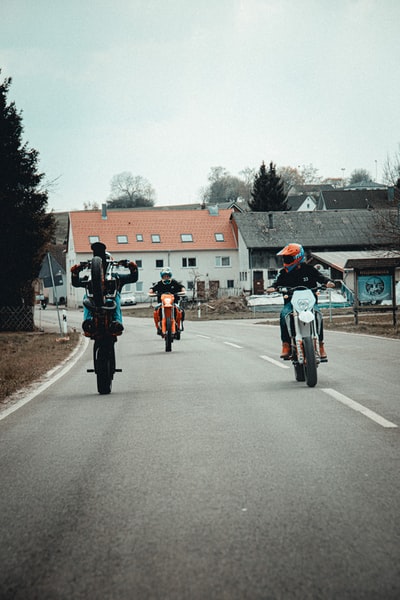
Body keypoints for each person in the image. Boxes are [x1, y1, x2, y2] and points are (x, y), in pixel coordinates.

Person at [266, 243, 335, 359]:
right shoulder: (283, 273)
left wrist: (328, 282)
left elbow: (322, 278)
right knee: (284, 315)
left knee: (318, 315)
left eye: (288, 258)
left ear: (297, 257)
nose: (286, 260)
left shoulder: (309, 269)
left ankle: (321, 344)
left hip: (310, 304)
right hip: (291, 303)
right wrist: (272, 288)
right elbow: (276, 283)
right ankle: (286, 344)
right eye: (285, 258)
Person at [71, 242, 138, 336]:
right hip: (93, 303)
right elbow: (76, 283)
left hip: (111, 304)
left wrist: (133, 269)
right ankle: (88, 323)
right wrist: (75, 273)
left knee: (117, 296)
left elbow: (133, 278)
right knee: (86, 297)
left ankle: (117, 323)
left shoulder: (116, 278)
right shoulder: (90, 279)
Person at [149, 268, 186, 335]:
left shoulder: (174, 282)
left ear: (170, 276)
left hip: (173, 303)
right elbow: (152, 288)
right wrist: (151, 292)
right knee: (156, 311)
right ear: (162, 276)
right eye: (164, 276)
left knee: (180, 310)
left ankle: (179, 325)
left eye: (168, 276)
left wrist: (183, 290)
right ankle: (158, 327)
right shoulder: (159, 283)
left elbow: (181, 287)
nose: (166, 277)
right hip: (162, 303)